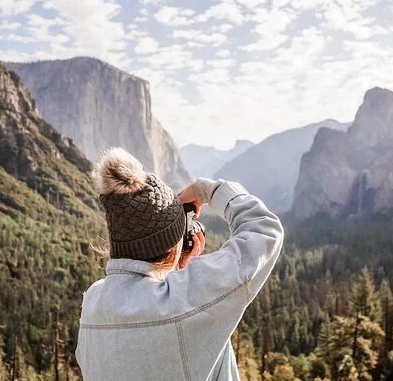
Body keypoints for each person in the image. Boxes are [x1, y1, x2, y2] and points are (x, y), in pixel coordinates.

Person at [75, 147, 284, 380]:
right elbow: (264, 229)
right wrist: (209, 190)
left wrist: (175, 266)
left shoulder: (92, 303)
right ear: (172, 245)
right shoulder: (185, 300)